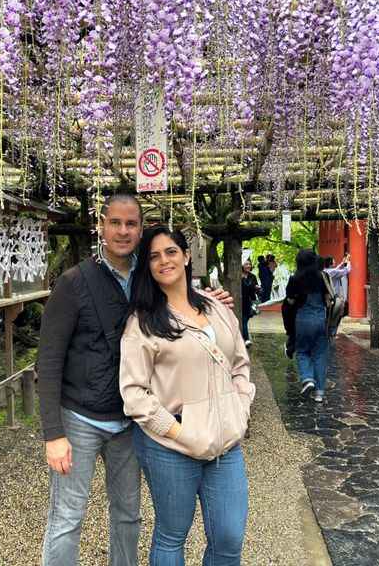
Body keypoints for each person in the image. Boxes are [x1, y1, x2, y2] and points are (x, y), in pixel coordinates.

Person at [35, 194, 233, 566]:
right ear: (101, 226)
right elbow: (48, 360)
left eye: (131, 224)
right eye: (115, 223)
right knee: (67, 517)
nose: (123, 231)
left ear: (141, 229)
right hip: (80, 417)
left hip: (130, 420)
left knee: (128, 513)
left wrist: (210, 300)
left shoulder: (150, 276)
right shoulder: (74, 282)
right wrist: (53, 434)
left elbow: (182, 299)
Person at [120, 225, 255, 565]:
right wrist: (180, 430)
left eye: (170, 252)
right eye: (153, 256)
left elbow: (240, 362)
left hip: (225, 442)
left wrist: (240, 407)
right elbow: (134, 393)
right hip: (171, 443)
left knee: (229, 537)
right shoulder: (143, 321)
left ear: (186, 255)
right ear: (147, 267)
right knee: (171, 535)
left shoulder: (216, 306)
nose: (163, 261)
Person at [286, 249, 332, 402]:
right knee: (320, 355)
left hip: (303, 320)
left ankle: (308, 378)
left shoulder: (294, 279)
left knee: (302, 351)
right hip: (320, 320)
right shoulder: (320, 277)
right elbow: (328, 297)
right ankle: (319, 393)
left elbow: (291, 301)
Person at [323, 255, 351, 338]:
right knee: (336, 317)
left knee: (329, 316)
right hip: (336, 298)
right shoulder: (333, 272)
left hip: (328, 298)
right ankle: (332, 334)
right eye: (334, 261)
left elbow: (336, 270)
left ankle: (328, 333)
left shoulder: (326, 271)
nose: (335, 262)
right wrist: (349, 262)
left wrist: (342, 263)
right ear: (330, 263)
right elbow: (346, 271)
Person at [240, 258, 260, 345]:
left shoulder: (253, 276)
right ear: (241, 266)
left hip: (251, 301)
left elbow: (257, 290)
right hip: (242, 301)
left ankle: (244, 338)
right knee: (244, 320)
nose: (248, 266)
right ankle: (246, 339)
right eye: (246, 264)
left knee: (246, 319)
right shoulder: (238, 276)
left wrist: (257, 289)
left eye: (249, 264)